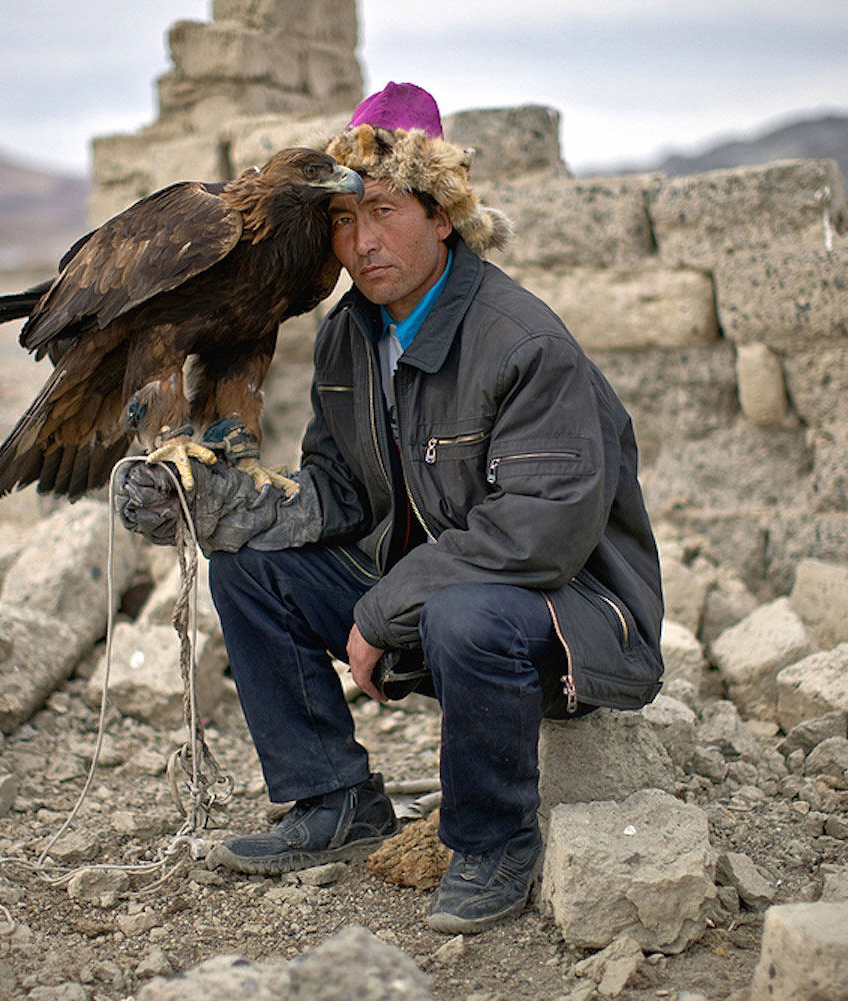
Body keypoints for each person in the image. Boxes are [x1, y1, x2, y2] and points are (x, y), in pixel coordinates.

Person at [116, 82, 664, 935]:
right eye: (343, 219)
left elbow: (539, 534)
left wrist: (382, 607)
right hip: (428, 599)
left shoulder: (524, 342)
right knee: (254, 573)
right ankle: (334, 800)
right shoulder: (350, 333)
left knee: (465, 611)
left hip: (570, 622)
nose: (362, 242)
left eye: (386, 211)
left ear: (443, 214)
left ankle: (492, 842)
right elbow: (336, 490)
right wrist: (210, 505)